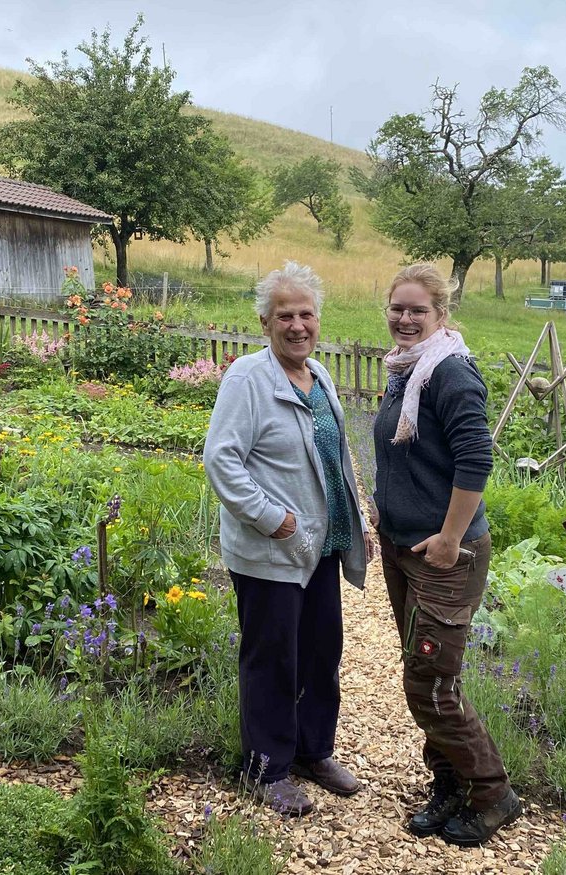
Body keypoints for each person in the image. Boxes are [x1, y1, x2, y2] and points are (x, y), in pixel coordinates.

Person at [203, 261, 374, 817]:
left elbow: (333, 456)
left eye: (306, 314)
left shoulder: (318, 376)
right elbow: (221, 460)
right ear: (265, 322)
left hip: (318, 546)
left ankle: (312, 752)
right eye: (284, 316)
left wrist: (355, 516)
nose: (297, 325)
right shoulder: (248, 379)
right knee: (273, 659)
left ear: (318, 319)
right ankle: (267, 770)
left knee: (322, 654)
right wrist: (271, 517)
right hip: (270, 549)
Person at [373, 263, 520, 846]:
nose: (406, 318)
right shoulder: (406, 368)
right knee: (425, 671)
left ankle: (492, 793)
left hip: (445, 555)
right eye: (398, 308)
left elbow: (476, 459)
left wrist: (450, 538)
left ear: (441, 314)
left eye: (418, 310)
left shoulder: (450, 373)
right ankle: (450, 784)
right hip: (405, 547)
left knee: (429, 684)